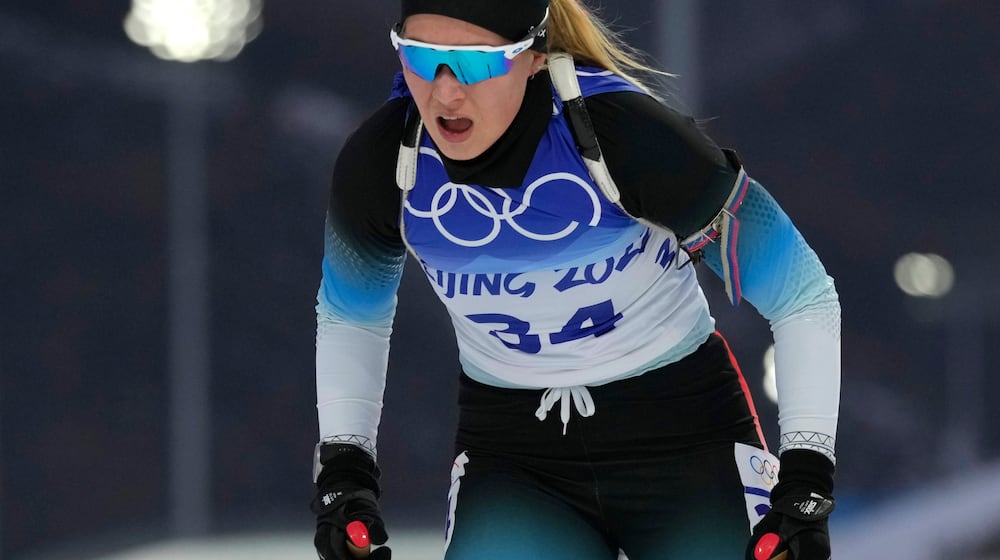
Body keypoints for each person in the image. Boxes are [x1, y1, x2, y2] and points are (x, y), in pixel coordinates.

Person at [311, 0, 841, 558]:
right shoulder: (382, 161)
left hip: (686, 441)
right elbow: (351, 315)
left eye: (475, 63)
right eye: (421, 58)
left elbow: (802, 294)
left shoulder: (624, 136)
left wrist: (807, 478)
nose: (445, 92)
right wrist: (345, 470)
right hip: (518, 462)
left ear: (535, 56)